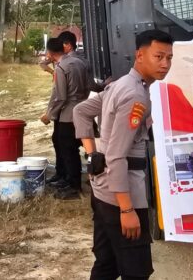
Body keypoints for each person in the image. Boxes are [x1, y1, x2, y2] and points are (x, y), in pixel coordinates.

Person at [74, 29, 174, 280]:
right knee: (136, 271)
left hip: (103, 190)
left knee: (106, 265)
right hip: (122, 194)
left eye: (169, 58)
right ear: (140, 55)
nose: (165, 64)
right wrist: (127, 210)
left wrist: (92, 155)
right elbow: (118, 156)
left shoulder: (121, 85)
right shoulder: (134, 95)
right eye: (158, 56)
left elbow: (81, 111)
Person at [40, 37, 88, 200]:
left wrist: (50, 115)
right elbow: (89, 86)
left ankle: (73, 185)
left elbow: (61, 97)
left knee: (68, 150)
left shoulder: (62, 68)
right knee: (72, 148)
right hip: (82, 109)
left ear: (50, 53)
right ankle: (70, 181)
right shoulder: (80, 62)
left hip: (67, 114)